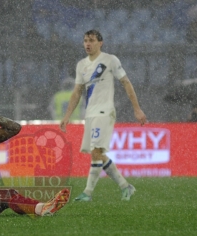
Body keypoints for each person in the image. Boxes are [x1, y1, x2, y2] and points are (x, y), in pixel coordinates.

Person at [59, 30, 147, 202]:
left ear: (101, 43)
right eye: (85, 41)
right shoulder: (81, 65)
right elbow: (77, 92)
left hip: (105, 111)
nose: (87, 44)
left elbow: (126, 83)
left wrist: (137, 109)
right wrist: (67, 115)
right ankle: (125, 186)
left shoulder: (110, 60)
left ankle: (88, 192)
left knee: (96, 152)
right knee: (98, 154)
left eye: (91, 40)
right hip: (90, 114)